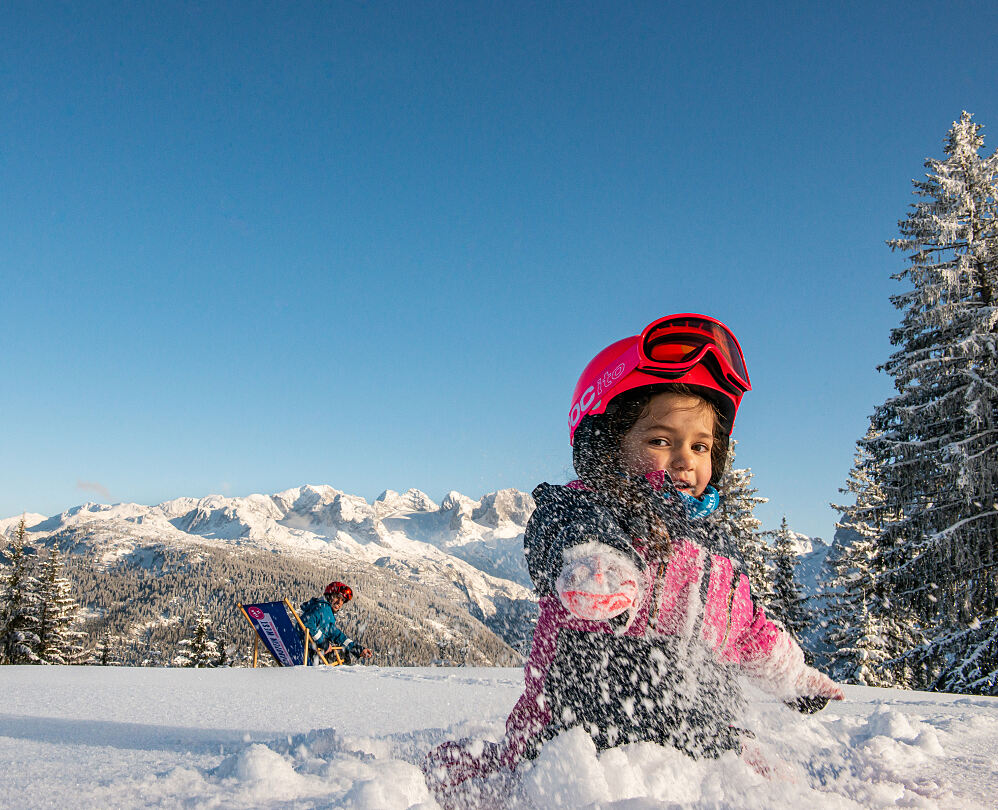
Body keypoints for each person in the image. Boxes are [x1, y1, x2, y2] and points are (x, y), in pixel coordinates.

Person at [424, 313, 843, 800]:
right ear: (608, 446)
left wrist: (793, 677)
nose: (686, 458)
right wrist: (596, 564)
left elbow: (747, 629)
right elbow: (559, 531)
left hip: (694, 739)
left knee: (771, 780)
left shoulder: (715, 556)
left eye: (701, 445)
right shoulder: (590, 508)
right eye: (661, 440)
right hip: (572, 738)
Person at [299, 581, 373, 664]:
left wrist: (357, 649)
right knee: (343, 656)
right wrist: (322, 642)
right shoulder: (322, 608)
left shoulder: (326, 612)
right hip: (306, 653)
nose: (340, 603)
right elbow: (306, 623)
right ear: (329, 595)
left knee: (342, 653)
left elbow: (336, 635)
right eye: (337, 597)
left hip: (307, 651)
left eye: (343, 600)